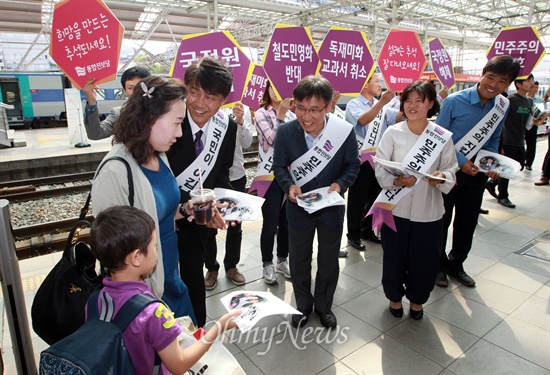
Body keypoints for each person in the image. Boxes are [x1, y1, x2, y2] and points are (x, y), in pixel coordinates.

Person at [92, 76, 209, 323]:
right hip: (144, 296)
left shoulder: (159, 155)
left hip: (170, 276)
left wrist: (187, 208)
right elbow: (113, 253)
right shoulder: (115, 171)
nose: (179, 133)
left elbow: (160, 213)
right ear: (149, 119)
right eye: (177, 123)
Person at [89, 206, 240, 375]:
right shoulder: (153, 312)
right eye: (154, 245)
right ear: (136, 257)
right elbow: (179, 364)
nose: (157, 250)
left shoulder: (95, 300)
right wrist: (220, 326)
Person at [273, 75, 360, 329]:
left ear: (328, 107)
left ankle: (324, 307)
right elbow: (279, 167)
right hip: (298, 205)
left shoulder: (343, 131)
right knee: (299, 257)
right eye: (300, 108)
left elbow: (352, 165)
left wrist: (341, 184)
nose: (306, 116)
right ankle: (302, 306)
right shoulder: (285, 132)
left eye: (314, 110)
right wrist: (289, 185)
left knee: (328, 258)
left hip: (331, 206)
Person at [373, 81, 457, 320]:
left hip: (429, 210)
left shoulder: (441, 137)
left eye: (419, 101)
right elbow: (380, 166)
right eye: (408, 100)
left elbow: (451, 167)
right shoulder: (393, 133)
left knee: (425, 259)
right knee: (394, 257)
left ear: (431, 103)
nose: (412, 106)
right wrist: (397, 181)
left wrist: (441, 177)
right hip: (396, 209)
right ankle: (394, 297)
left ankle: (418, 300)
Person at [436, 56, 521, 288]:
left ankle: (457, 264)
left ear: (508, 85)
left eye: (502, 81)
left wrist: (491, 165)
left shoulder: (501, 106)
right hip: (450, 171)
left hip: (477, 174)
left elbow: (493, 140)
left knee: (468, 220)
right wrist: (462, 160)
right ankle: (438, 266)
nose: (493, 85)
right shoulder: (454, 101)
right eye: (490, 77)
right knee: (442, 219)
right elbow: (439, 139)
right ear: (482, 74)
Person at [167, 57, 238, 327]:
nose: (199, 103)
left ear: (223, 99)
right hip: (164, 216)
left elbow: (222, 171)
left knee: (192, 278)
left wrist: (227, 202)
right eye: (194, 92)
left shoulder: (227, 126)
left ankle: (196, 331)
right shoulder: (168, 119)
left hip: (199, 222)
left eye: (210, 97)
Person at [344, 73, 403, 250]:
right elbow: (362, 120)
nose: (380, 84)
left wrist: (406, 100)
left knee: (375, 196)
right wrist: (382, 103)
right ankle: (353, 235)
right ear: (365, 85)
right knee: (357, 199)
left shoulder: (382, 107)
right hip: (361, 160)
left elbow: (398, 117)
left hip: (380, 160)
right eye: (376, 81)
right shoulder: (353, 104)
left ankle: (367, 229)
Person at [203, 102, 253, 288]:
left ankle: (231, 266)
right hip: (210, 178)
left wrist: (240, 121)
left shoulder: (242, 108)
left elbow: (247, 143)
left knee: (235, 225)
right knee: (209, 226)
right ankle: (211, 268)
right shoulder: (206, 107)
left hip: (236, 175)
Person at [253, 80, 295, 284]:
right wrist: (281, 117)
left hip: (290, 177)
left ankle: (282, 260)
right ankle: (267, 263)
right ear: (268, 90)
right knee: (270, 224)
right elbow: (270, 140)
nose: (277, 90)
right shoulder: (261, 113)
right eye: (273, 86)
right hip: (269, 177)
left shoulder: (295, 115)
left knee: (287, 223)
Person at [485, 74, 547, 208]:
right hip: (507, 140)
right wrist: (500, 143)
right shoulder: (510, 100)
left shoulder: (529, 102)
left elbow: (530, 123)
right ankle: (503, 196)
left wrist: (538, 121)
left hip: (519, 140)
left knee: (519, 165)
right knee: (506, 169)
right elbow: (500, 121)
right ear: (518, 84)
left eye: (532, 80)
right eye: (528, 80)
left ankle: (492, 183)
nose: (531, 83)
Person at [82, 66, 151, 140]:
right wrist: (92, 102)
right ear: (125, 91)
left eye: (141, 87)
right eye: (131, 88)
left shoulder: (162, 110)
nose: (136, 91)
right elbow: (95, 134)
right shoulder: (119, 114)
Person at [525, 80, 544, 170]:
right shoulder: (524, 99)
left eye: (536, 87)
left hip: (533, 124)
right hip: (522, 123)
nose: (534, 89)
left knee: (531, 144)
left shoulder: (539, 100)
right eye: (533, 87)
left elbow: (543, 112)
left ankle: (529, 163)